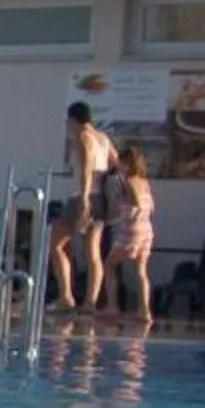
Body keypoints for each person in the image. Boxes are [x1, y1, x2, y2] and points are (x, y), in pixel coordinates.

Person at [53, 100, 117, 311]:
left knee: (55, 245)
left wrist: (83, 199)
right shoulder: (103, 138)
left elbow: (86, 168)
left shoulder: (82, 137)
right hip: (100, 198)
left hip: (83, 196)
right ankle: (90, 302)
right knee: (93, 252)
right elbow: (115, 163)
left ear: (73, 119)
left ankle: (66, 297)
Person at [99, 145, 156, 325]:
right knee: (141, 271)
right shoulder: (144, 181)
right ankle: (144, 311)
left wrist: (127, 213)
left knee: (109, 265)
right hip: (146, 231)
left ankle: (112, 306)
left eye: (122, 162)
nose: (119, 166)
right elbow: (151, 206)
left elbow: (136, 204)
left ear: (127, 163)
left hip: (131, 231)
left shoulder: (129, 181)